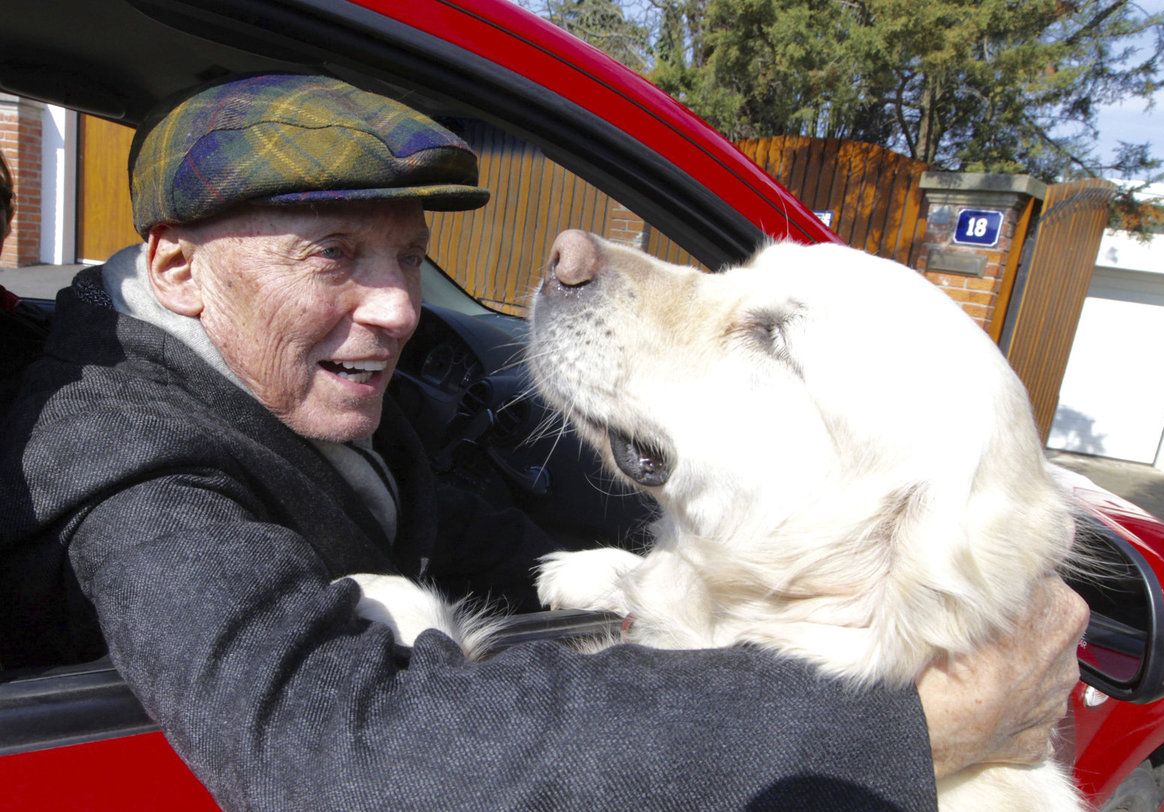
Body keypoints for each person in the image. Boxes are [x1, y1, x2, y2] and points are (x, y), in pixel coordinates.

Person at [0, 73, 1087, 810]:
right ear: (178, 271)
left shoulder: (305, 388)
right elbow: (330, 748)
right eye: (334, 257)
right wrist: (904, 729)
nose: (395, 310)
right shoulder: (121, 457)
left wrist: (628, 575)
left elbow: (475, 532)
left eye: (407, 257)